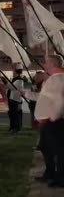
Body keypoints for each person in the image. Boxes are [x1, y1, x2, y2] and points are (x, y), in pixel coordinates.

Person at [33, 55, 64, 187]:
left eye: (46, 63)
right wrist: (25, 93)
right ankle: (50, 173)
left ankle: (60, 178)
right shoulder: (52, 79)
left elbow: (59, 101)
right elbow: (43, 98)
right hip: (47, 121)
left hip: (54, 121)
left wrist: (53, 116)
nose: (44, 65)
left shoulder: (58, 79)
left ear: (52, 64)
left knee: (59, 150)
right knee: (46, 148)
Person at [6, 63, 25, 134]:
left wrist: (6, 83)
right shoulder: (14, 79)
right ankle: (12, 126)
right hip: (11, 98)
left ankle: (17, 128)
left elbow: (13, 88)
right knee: (11, 114)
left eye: (14, 70)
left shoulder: (19, 80)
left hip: (16, 100)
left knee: (16, 114)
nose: (13, 72)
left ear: (16, 72)